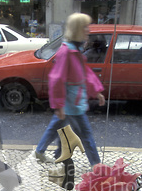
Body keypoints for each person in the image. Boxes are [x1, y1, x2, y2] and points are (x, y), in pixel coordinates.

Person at [33, 13, 105, 167]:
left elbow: (85, 73)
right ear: (78, 29)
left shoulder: (75, 50)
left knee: (56, 127)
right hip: (71, 102)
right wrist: (59, 105)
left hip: (73, 100)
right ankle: (97, 165)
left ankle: (43, 151)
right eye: (85, 27)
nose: (88, 30)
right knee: (85, 134)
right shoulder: (67, 51)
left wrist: (96, 91)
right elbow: (56, 79)